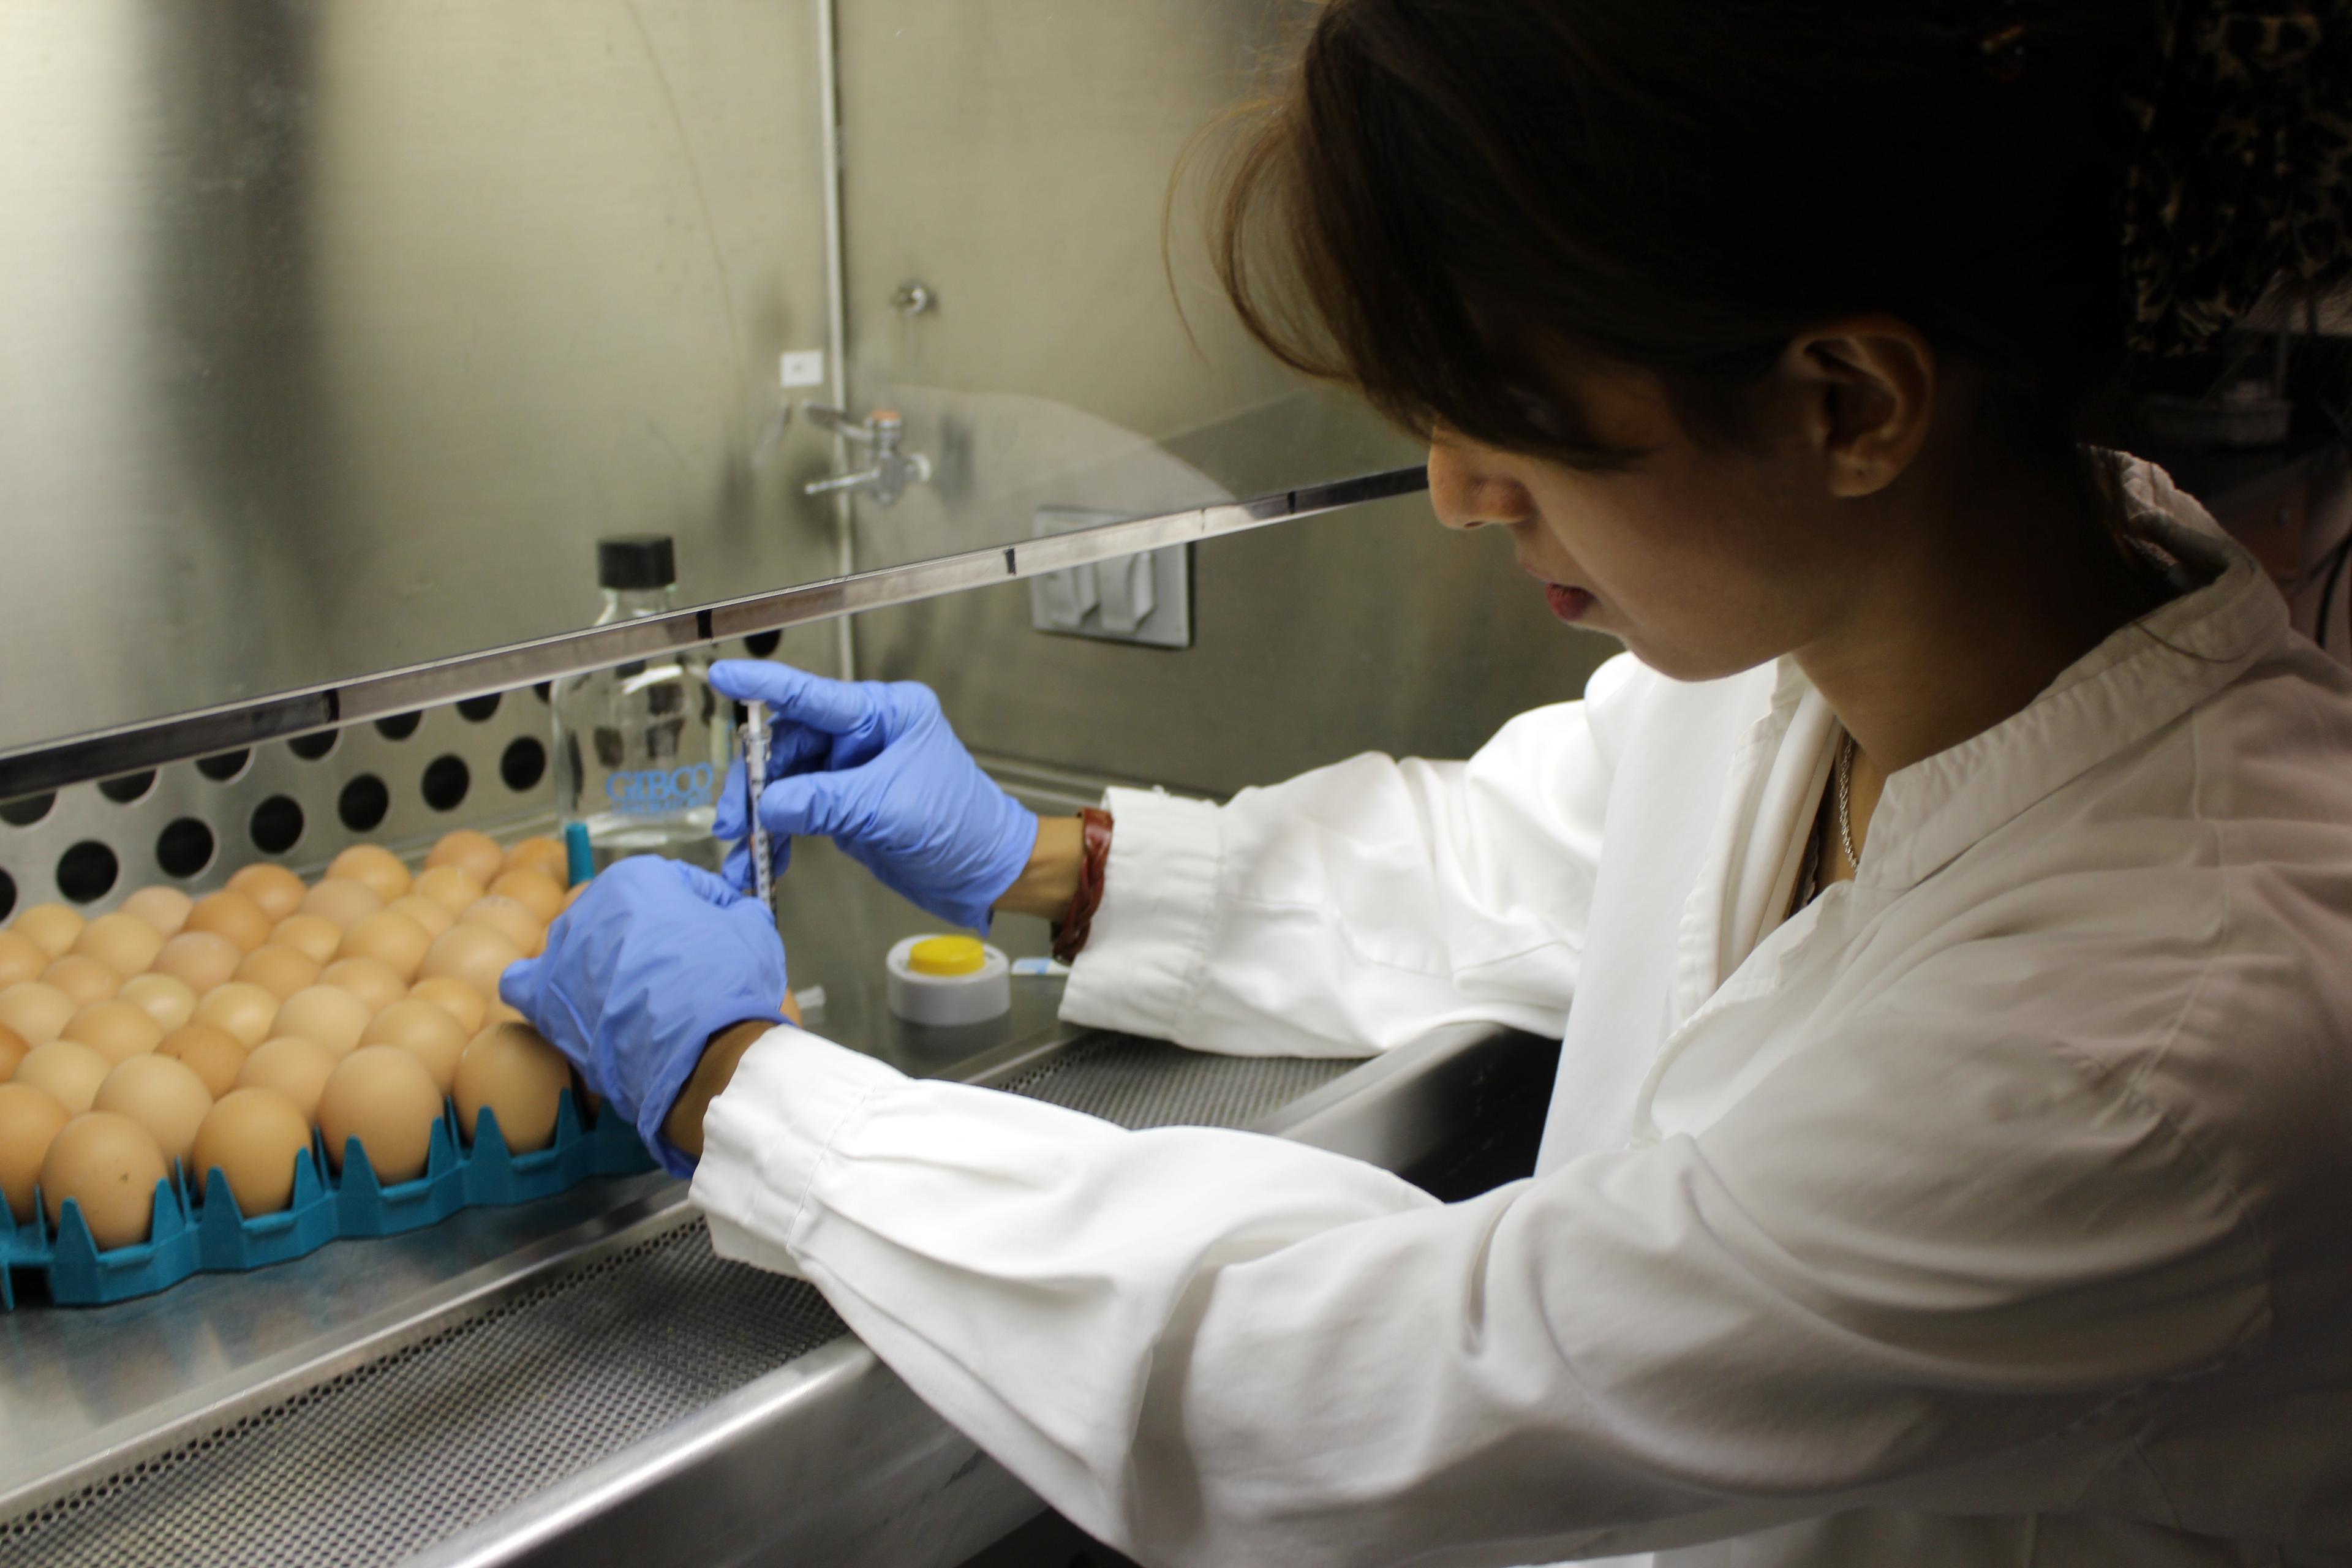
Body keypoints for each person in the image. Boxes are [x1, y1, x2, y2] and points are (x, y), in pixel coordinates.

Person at [500, 2, 2352, 1563]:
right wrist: (1048, 864)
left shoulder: (2164, 1026)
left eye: (1513, 416)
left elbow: (1341, 1387)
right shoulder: (1848, 660)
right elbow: (1511, 861)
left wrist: (750, 1095)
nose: (1461, 491)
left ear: (1849, 405)